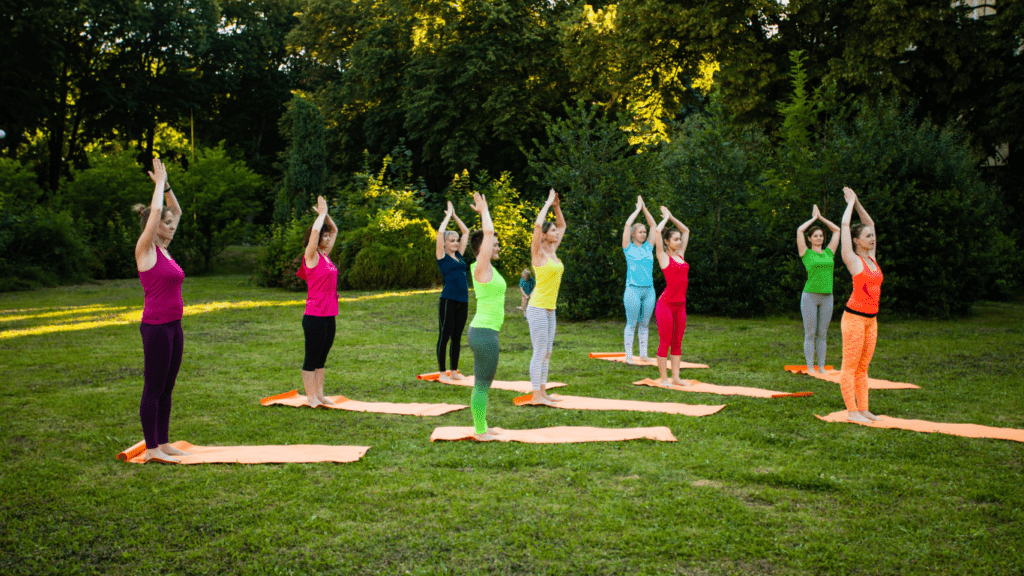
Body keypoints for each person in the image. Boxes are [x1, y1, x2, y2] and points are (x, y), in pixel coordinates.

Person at [134, 158, 188, 463]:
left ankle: (163, 442)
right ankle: (151, 448)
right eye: (165, 225)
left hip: (173, 325)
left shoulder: (165, 249)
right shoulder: (146, 250)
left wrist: (167, 186)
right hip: (155, 327)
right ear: (153, 228)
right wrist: (157, 185)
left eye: (169, 225)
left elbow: (175, 210)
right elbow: (157, 212)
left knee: (168, 386)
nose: (170, 226)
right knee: (153, 386)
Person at [838, 186, 883, 424]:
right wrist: (848, 205)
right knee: (850, 366)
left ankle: (864, 409)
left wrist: (857, 203)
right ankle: (852, 412)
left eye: (872, 236)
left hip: (871, 320)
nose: (872, 239)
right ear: (856, 241)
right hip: (854, 318)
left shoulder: (872, 258)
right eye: (867, 237)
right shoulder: (853, 260)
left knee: (863, 367)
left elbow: (870, 222)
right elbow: (845, 226)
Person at [466, 192, 505, 441]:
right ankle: (480, 430)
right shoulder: (481, 267)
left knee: (484, 382)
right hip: (483, 333)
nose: (498, 247)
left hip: (485, 332)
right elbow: (488, 234)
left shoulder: (488, 268)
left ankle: (483, 425)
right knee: (481, 383)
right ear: (483, 249)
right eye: (495, 244)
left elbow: (490, 237)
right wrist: (484, 212)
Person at [296, 196, 339, 408]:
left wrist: (327, 215)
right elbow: (314, 233)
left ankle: (320, 395)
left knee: (322, 357)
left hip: (329, 314)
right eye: (326, 236)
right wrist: (320, 216)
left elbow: (336, 230)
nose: (329, 238)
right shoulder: (311, 256)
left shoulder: (326, 255)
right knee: (312, 356)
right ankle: (310, 397)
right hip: (314, 315)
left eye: (329, 237)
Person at [526, 189, 566, 406]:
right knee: (539, 350)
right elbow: (538, 226)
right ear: (544, 235)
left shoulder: (553, 251)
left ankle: (543, 391)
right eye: (553, 232)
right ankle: (535, 395)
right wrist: (547, 203)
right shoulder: (538, 253)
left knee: (548, 352)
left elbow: (563, 226)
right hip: (538, 307)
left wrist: (557, 207)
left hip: (551, 308)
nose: (557, 233)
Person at [796, 204, 840, 374]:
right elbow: (799, 231)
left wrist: (821, 218)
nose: (819, 238)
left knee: (822, 333)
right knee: (810, 333)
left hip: (827, 297)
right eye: (816, 236)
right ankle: (810, 367)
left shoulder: (829, 253)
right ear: (810, 239)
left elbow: (837, 231)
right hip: (810, 296)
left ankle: (821, 367)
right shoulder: (806, 254)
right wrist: (813, 219)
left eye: (821, 235)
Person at [650, 206, 690, 387]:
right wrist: (665, 219)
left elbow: (686, 230)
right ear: (667, 242)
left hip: (680, 305)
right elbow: (658, 230)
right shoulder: (663, 257)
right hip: (665, 305)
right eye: (675, 240)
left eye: (679, 240)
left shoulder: (681, 255)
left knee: (677, 342)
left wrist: (671, 216)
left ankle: (676, 377)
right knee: (665, 341)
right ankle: (664, 378)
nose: (680, 241)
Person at [435, 201, 470, 379]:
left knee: (457, 336)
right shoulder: (442, 257)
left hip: (463, 300)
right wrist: (447, 216)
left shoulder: (459, 256)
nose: (456, 243)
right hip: (448, 299)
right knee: (445, 335)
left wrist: (455, 215)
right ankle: (443, 372)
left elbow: (466, 232)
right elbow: (440, 233)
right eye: (452, 241)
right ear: (445, 243)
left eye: (457, 241)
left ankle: (454, 371)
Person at [622, 195, 658, 363]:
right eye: (640, 232)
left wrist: (644, 209)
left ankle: (643, 354)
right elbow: (627, 224)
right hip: (633, 290)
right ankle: (629, 356)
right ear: (633, 234)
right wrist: (637, 210)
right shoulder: (628, 247)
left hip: (649, 290)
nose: (644, 234)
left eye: (644, 232)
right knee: (632, 323)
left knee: (645, 324)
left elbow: (654, 226)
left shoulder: (649, 247)